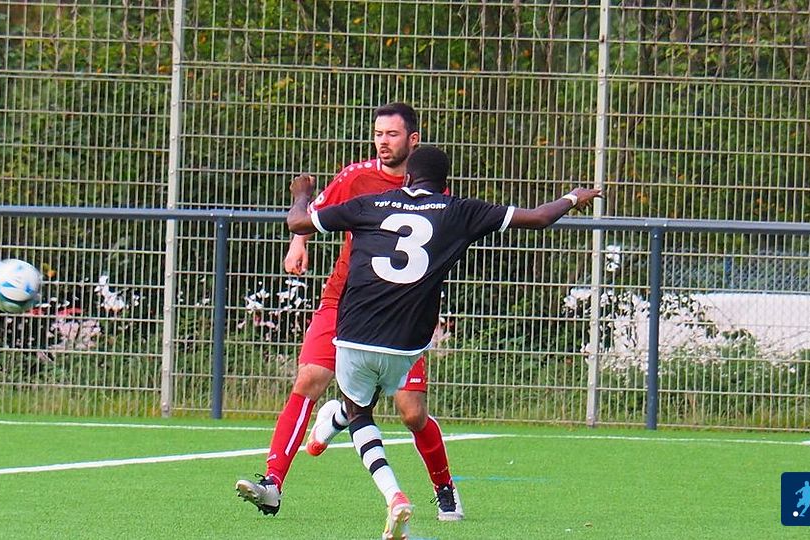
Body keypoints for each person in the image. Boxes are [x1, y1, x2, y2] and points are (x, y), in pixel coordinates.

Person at [284, 145, 601, 539]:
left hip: (353, 334)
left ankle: (392, 493)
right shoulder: (458, 210)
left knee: (361, 411)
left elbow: (298, 222)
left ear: (407, 177)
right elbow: (538, 218)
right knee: (379, 396)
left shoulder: (370, 203)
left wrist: (302, 193)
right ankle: (338, 422)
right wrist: (573, 197)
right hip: (406, 344)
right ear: (445, 183)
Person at [236, 103, 464, 521]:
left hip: (399, 312)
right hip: (344, 300)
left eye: (392, 134)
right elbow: (312, 216)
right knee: (310, 378)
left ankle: (444, 487)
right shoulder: (356, 177)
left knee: (412, 412)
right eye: (378, 134)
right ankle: (272, 483)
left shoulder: (435, 192)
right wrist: (298, 243)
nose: (382, 142)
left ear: (413, 140)